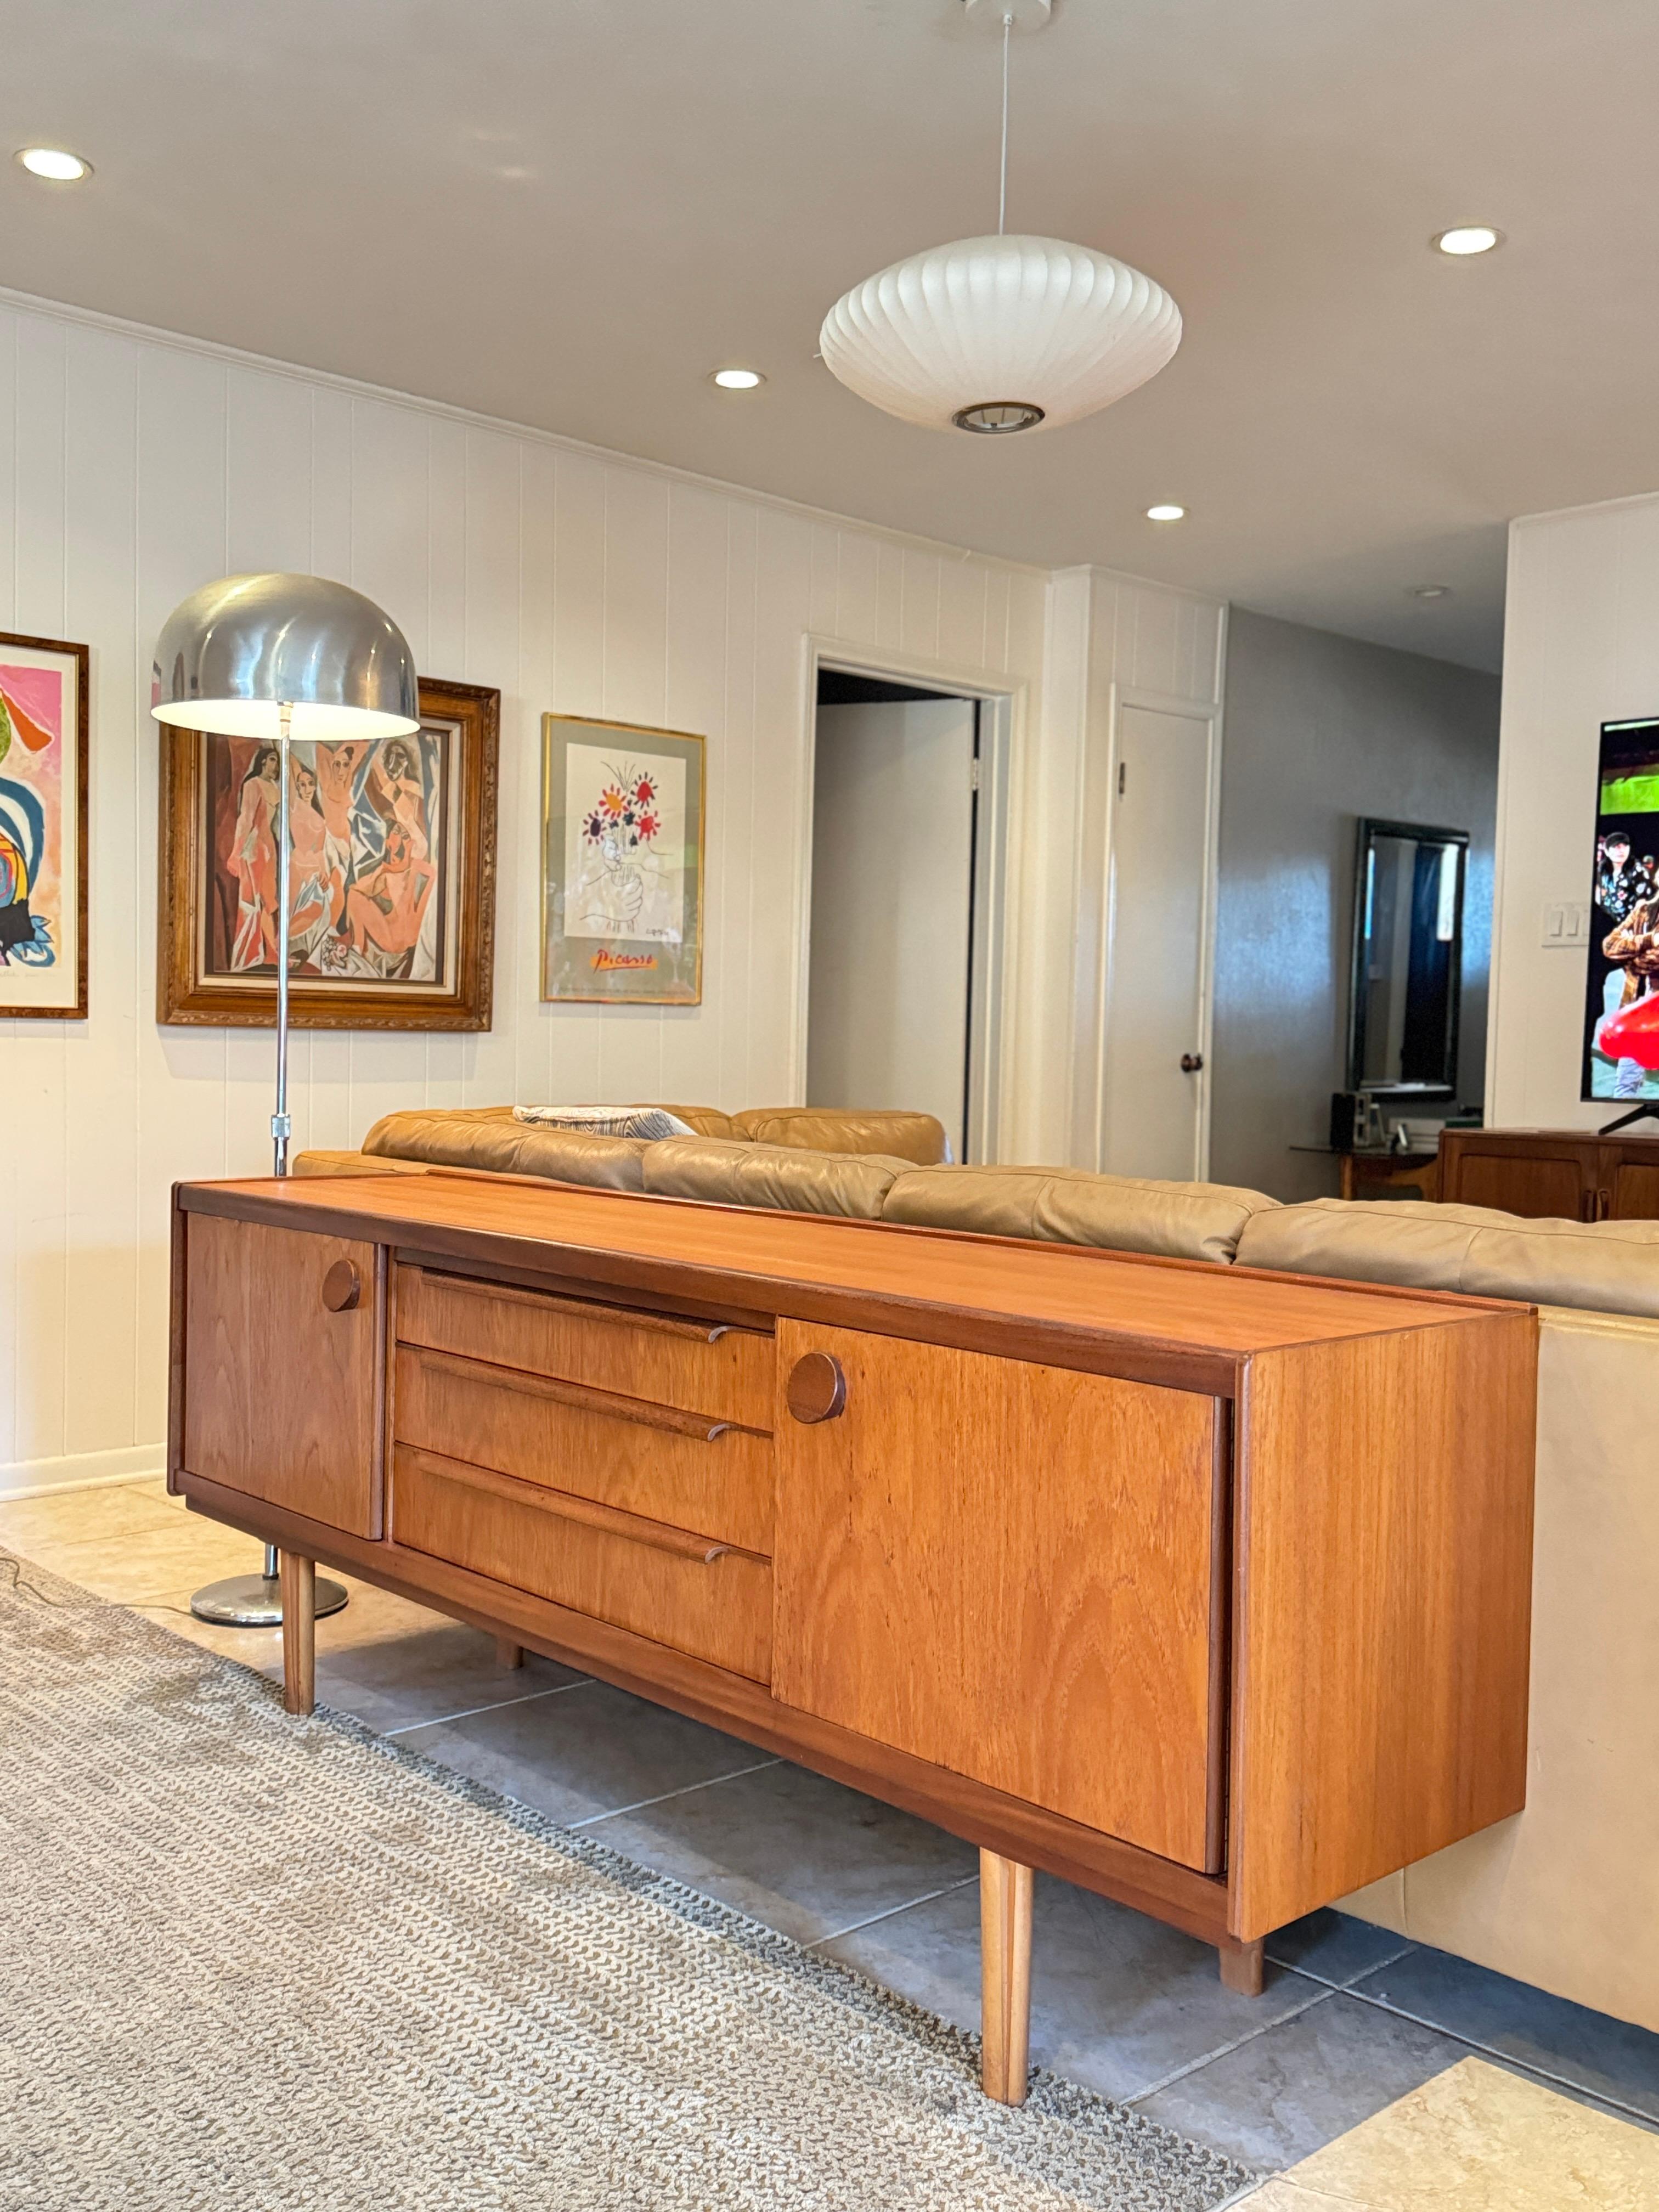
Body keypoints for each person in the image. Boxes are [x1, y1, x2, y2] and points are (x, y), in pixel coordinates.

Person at [227, 744, 280, 970]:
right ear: (262, 762)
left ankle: (272, 953)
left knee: (270, 902)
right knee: (253, 901)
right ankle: (249, 955)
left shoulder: (275, 787)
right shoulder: (253, 785)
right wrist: (236, 853)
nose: (275, 766)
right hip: (255, 849)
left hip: (271, 848)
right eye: (271, 760)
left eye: (277, 761)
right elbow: (245, 820)